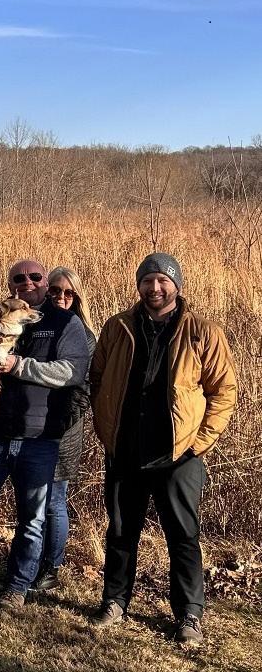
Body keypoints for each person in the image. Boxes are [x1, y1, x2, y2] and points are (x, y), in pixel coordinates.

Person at [88, 254, 237, 648]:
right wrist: (107, 430)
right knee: (121, 531)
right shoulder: (118, 327)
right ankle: (114, 601)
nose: (155, 288)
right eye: (147, 281)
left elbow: (224, 392)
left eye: (162, 280)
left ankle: (189, 614)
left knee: (183, 535)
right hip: (125, 450)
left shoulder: (202, 332)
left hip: (178, 454)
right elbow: (97, 378)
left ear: (176, 285)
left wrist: (198, 443)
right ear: (139, 285)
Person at [0, 259, 91, 608]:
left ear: (46, 281)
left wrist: (18, 365)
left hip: (40, 436)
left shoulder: (64, 323)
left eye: (35, 276)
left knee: (32, 519)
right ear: (10, 284)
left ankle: (18, 585)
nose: (27, 282)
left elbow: (72, 372)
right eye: (18, 277)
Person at [34, 266, 94, 593]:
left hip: (62, 432)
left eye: (68, 293)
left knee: (55, 500)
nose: (61, 297)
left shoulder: (85, 337)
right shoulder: (37, 327)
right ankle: (31, 560)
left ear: (77, 297)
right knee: (34, 500)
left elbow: (83, 392)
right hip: (34, 428)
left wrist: (56, 425)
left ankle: (51, 566)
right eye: (55, 290)